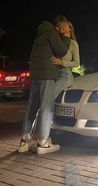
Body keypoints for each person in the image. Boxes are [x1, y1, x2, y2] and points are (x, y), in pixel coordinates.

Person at [17, 16, 70, 155]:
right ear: (59, 26)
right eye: (64, 26)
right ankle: (43, 142)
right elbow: (61, 50)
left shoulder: (39, 35)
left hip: (35, 76)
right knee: (47, 107)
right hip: (47, 75)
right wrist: (66, 37)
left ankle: (24, 140)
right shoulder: (52, 33)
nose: (66, 29)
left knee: (32, 107)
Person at [51, 20, 80, 98]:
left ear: (70, 29)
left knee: (50, 97)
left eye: (65, 26)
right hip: (54, 73)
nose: (62, 27)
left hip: (65, 74)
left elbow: (77, 63)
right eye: (61, 26)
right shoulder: (57, 42)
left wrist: (62, 62)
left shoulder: (73, 43)